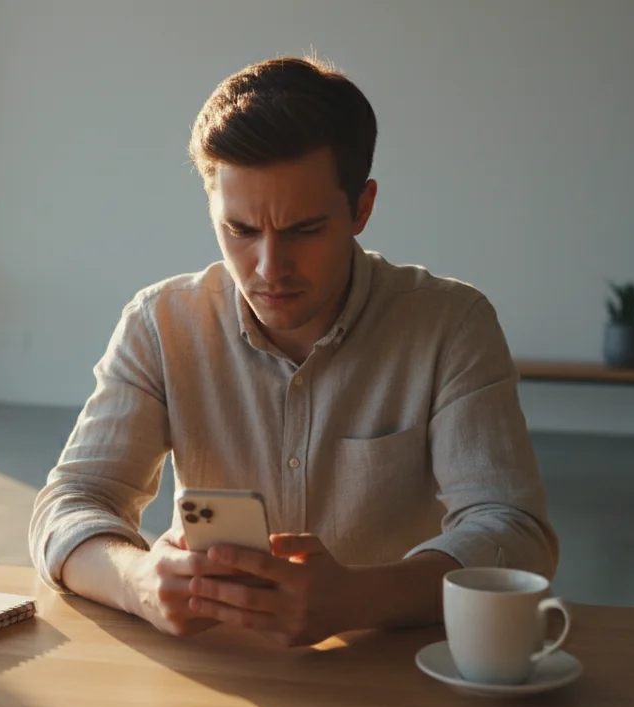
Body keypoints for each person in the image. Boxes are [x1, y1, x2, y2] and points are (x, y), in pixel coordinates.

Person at [29, 56, 557, 648]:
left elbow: (513, 531)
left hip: (390, 675)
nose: (268, 269)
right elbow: (70, 504)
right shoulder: (161, 324)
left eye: (304, 230)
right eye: (240, 230)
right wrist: (138, 582)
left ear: (362, 209)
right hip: (214, 673)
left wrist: (358, 597)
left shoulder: (450, 326)